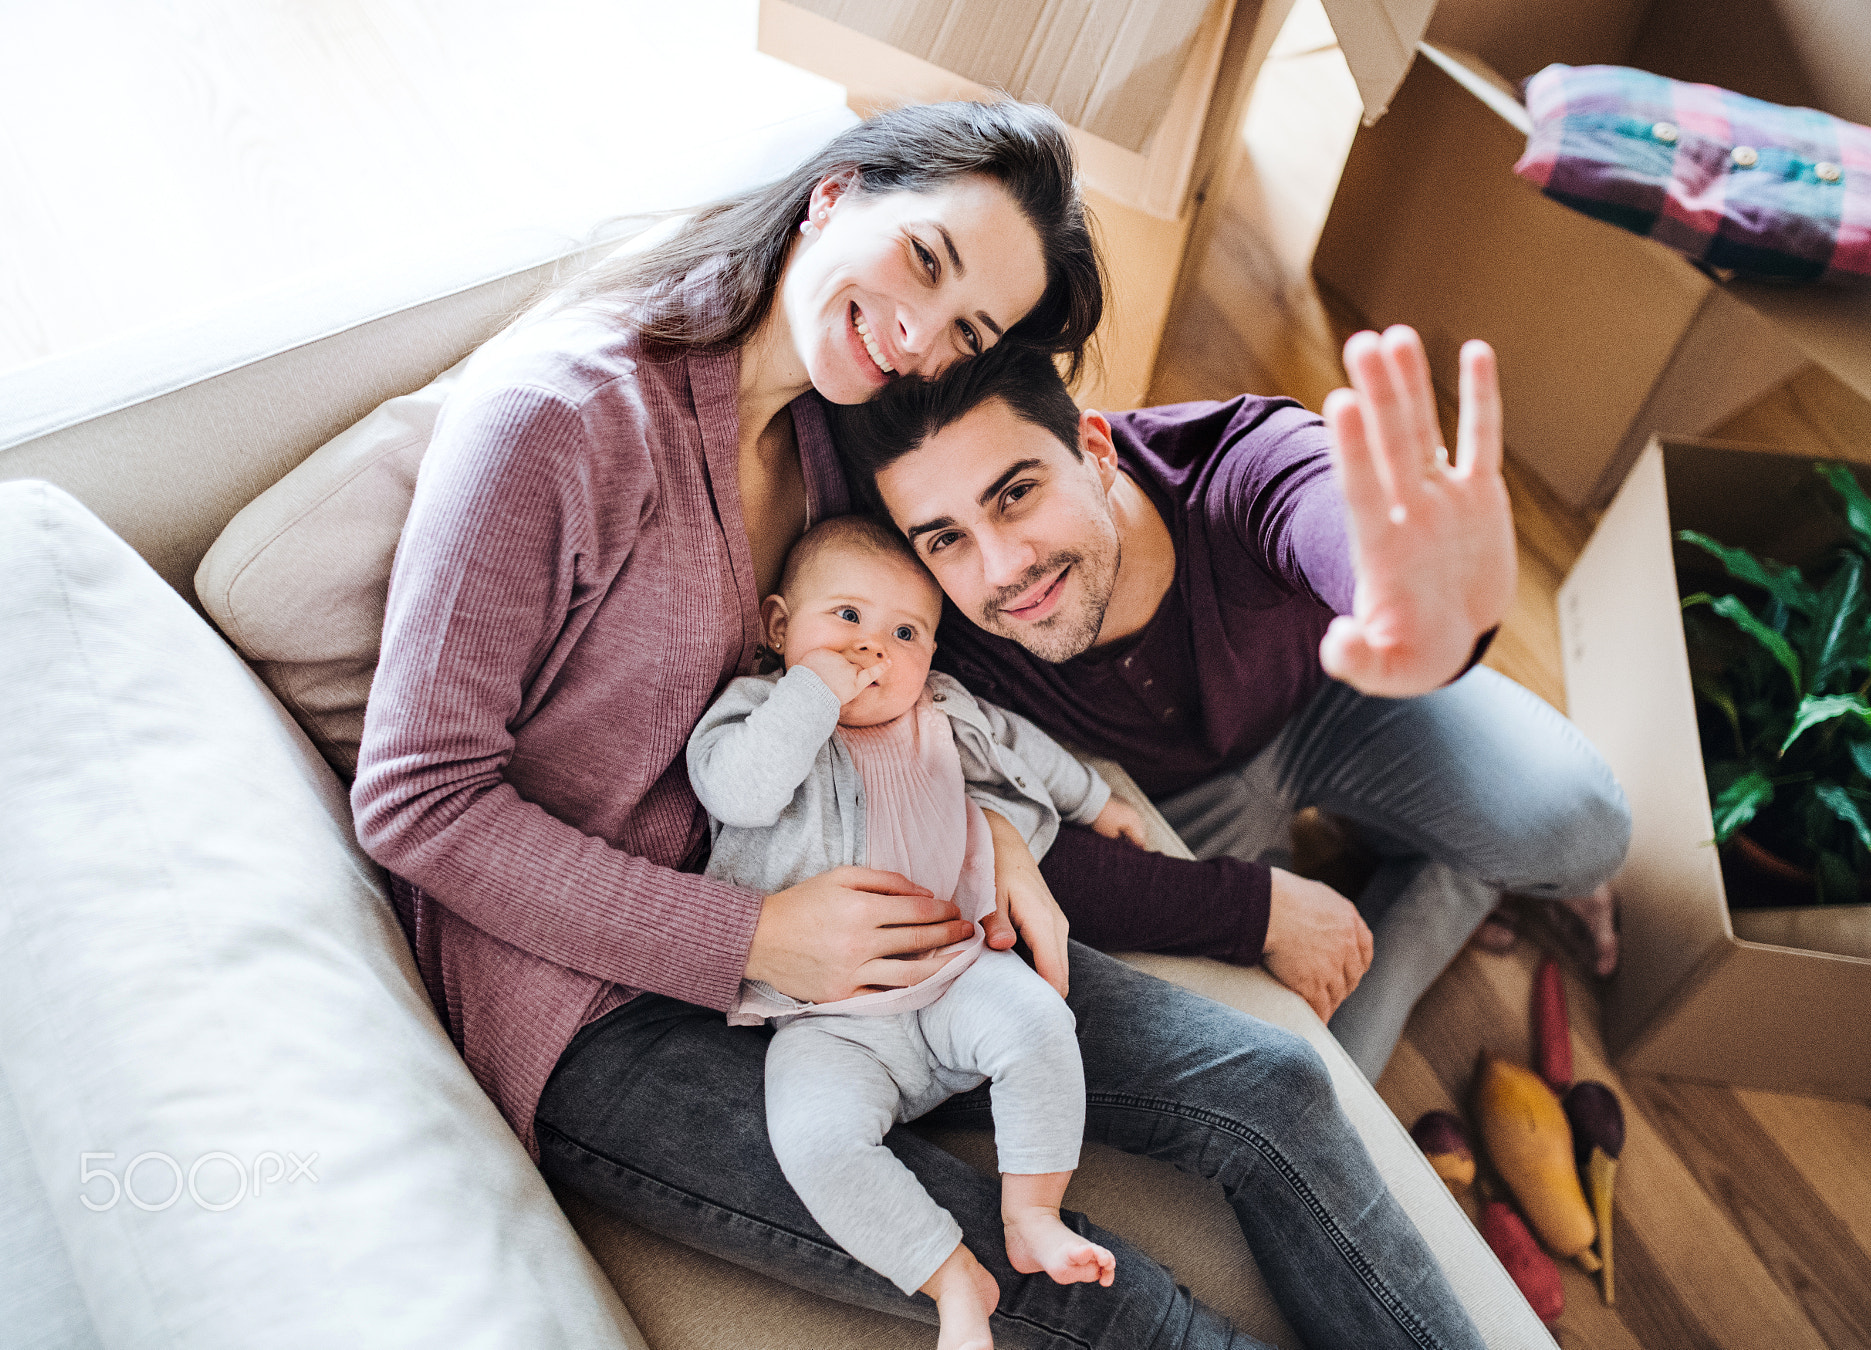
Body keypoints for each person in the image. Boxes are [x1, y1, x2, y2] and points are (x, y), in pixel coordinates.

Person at [353, 99, 1486, 1349]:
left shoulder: (849, 442)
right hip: (599, 1012)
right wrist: (750, 936)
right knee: (1096, 1305)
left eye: (967, 331)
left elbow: (933, 681)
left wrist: (994, 828)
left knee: (1270, 1088)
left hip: (873, 895)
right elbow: (415, 800)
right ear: (837, 192)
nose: (915, 332)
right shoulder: (560, 423)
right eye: (927, 260)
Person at [831, 332, 1632, 1082]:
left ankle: (1449, 859)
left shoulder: (1237, 462)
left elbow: (1323, 508)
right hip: (1163, 808)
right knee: (1317, 1072)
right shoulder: (936, 632)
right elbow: (1017, 858)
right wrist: (1257, 912)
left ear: (1096, 451)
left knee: (1586, 829)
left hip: (1335, 695)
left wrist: (1413, 606)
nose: (1005, 569)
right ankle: (1455, 867)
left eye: (1015, 494)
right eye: (945, 538)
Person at [691, 515, 1151, 1350]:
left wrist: (1094, 799)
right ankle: (950, 1278)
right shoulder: (756, 713)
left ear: (931, 657)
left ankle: (1031, 1214)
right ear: (779, 626)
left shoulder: (942, 712)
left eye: (905, 632)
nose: (873, 650)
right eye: (846, 620)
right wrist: (810, 692)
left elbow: (1027, 752)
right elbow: (739, 794)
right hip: (823, 1020)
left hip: (956, 974)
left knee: (1043, 1023)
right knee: (813, 1140)